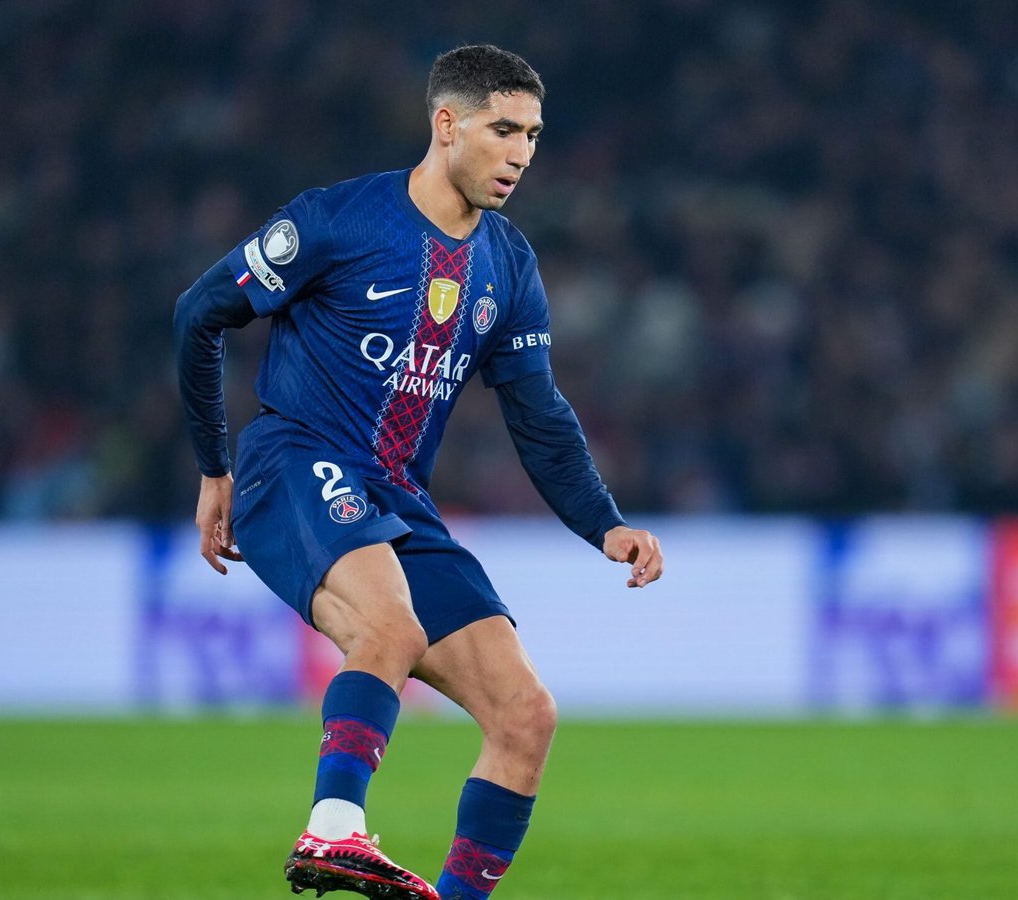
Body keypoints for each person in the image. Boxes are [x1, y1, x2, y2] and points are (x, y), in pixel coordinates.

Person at [173, 44, 663, 900]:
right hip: (296, 463)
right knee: (389, 629)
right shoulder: (337, 220)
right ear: (447, 125)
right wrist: (215, 466)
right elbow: (199, 313)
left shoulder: (508, 265)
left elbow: (538, 413)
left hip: (396, 498)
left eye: (535, 135)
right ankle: (333, 829)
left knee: (525, 716)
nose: (521, 154)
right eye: (503, 129)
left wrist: (605, 523)